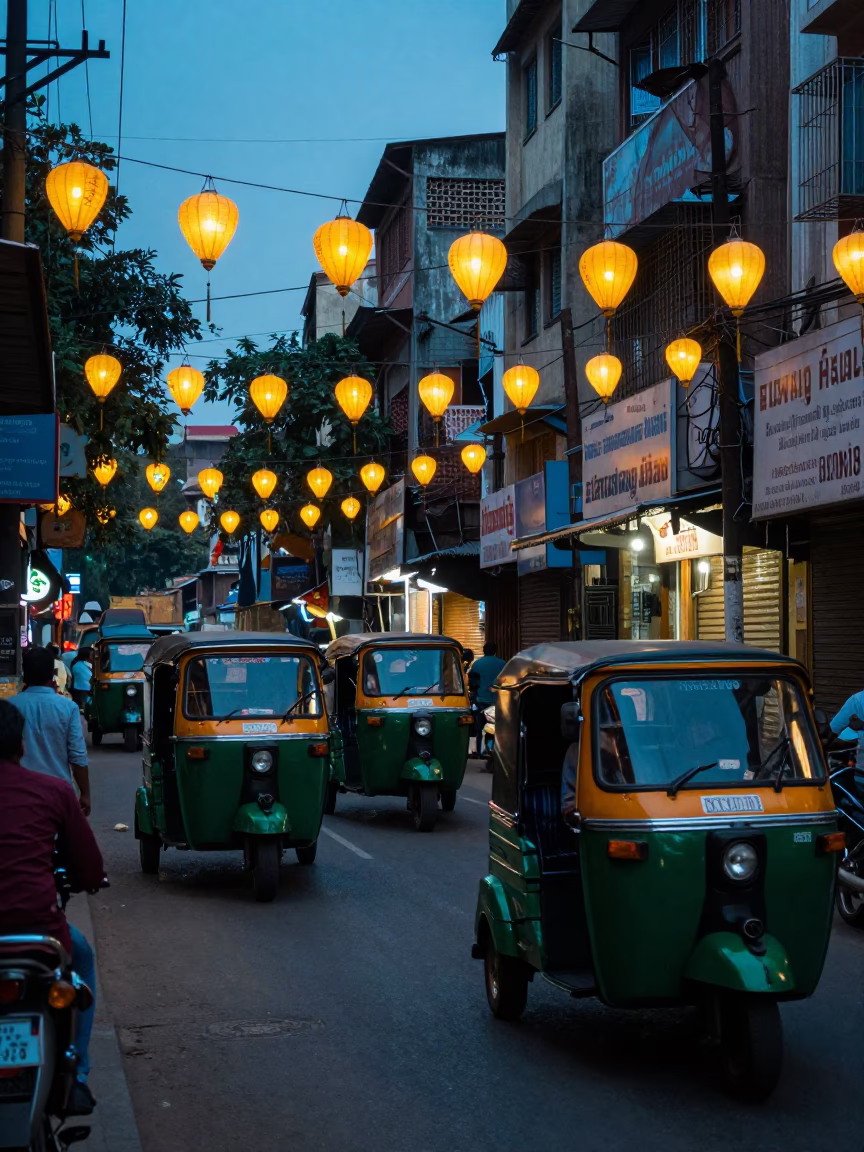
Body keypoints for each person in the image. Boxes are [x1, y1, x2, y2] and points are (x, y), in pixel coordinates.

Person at [0, 700, 104, 1115]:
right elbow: (90, 868)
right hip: (38, 937)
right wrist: (86, 882)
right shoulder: (54, 791)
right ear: (21, 745)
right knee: (81, 957)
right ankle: (75, 1072)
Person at [10, 647, 91, 816]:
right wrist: (85, 794)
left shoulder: (10, 707)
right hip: (58, 796)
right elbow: (78, 756)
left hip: (18, 797)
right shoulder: (68, 707)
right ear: (53, 673)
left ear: (25, 673)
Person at [468, 642, 506, 759]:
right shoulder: (503, 664)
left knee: (480, 728)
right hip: (498, 701)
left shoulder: (477, 664)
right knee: (499, 728)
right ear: (495, 651)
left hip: (481, 701)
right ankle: (497, 752)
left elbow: (472, 684)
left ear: (484, 651)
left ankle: (479, 751)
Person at [830, 689, 864, 762]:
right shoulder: (857, 700)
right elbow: (834, 728)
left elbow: (833, 729)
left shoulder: (857, 699)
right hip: (851, 752)